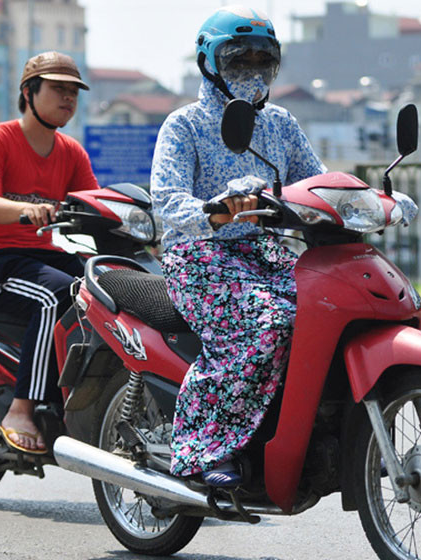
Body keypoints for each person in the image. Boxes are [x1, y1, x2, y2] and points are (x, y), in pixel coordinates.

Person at [150, 5, 327, 487]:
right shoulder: (184, 125)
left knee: (329, 313)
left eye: (261, 60)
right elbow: (167, 198)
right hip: (199, 255)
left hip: (266, 254)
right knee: (270, 323)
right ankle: (203, 449)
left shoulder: (282, 124)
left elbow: (314, 182)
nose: (252, 70)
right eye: (239, 59)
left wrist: (362, 200)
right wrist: (216, 210)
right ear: (209, 63)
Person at [0, 51, 97, 454]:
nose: (68, 98)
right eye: (58, 89)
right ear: (28, 92)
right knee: (58, 295)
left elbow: (93, 205)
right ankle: (21, 408)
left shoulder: (72, 152)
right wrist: (25, 210)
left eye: (74, 92)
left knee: (103, 288)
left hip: (39, 255)